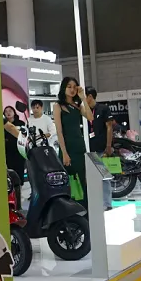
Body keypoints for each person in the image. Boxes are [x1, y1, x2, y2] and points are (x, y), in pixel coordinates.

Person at [54, 77, 94, 207]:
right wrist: (64, 153)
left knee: (82, 179)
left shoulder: (77, 106)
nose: (72, 89)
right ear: (64, 88)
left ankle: (84, 209)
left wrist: (83, 98)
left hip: (79, 146)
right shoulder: (58, 106)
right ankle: (70, 209)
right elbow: (59, 132)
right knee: (69, 180)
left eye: (74, 87)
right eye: (69, 86)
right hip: (67, 148)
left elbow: (90, 117)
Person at [86, 87, 115, 210]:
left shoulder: (103, 109)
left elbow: (109, 127)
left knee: (104, 177)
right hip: (88, 149)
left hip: (101, 149)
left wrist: (108, 146)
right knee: (90, 178)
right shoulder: (84, 111)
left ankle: (107, 204)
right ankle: (94, 203)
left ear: (90, 96)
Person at [3, 105, 26, 183]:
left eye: (10, 111)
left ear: (14, 112)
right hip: (7, 150)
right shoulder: (2, 124)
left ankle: (20, 184)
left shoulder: (21, 123)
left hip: (19, 149)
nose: (8, 113)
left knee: (19, 168)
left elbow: (24, 135)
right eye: (6, 111)